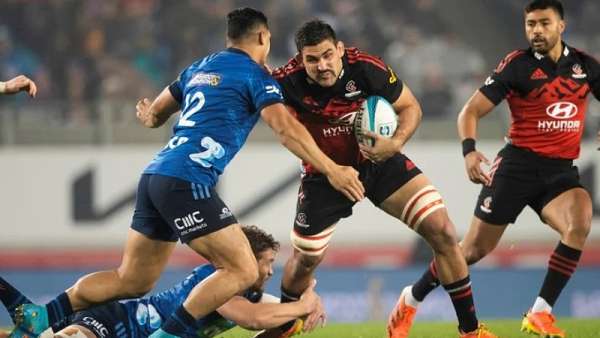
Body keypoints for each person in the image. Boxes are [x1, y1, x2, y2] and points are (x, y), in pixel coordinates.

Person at [9, 8, 362, 338]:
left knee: (131, 279)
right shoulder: (256, 76)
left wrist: (147, 115)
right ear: (262, 38)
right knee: (243, 270)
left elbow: (156, 114)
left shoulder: (200, 67)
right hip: (187, 180)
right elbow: (285, 129)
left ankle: (47, 313)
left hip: (156, 176)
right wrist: (332, 169)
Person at [261, 20, 498, 338]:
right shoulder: (286, 82)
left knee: (442, 232)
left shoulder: (366, 68)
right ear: (300, 60)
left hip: (380, 162)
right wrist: (332, 170)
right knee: (306, 259)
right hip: (324, 175)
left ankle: (470, 332)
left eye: (328, 55)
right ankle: (286, 322)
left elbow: (410, 107)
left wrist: (396, 143)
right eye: (312, 59)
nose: (322, 65)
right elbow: (282, 131)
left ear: (340, 50)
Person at [403, 1, 599, 337]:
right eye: (531, 24)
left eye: (544, 23)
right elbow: (469, 111)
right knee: (471, 252)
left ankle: (540, 313)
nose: (536, 30)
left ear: (561, 26)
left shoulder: (585, 66)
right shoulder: (517, 66)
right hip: (516, 168)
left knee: (579, 221)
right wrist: (469, 152)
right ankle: (412, 298)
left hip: (560, 173)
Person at [0, 226, 325, 338]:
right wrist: (303, 304)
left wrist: (306, 305)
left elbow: (278, 314)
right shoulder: (218, 280)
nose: (270, 273)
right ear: (246, 259)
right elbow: (253, 320)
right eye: (266, 264)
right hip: (117, 324)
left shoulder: (248, 293)